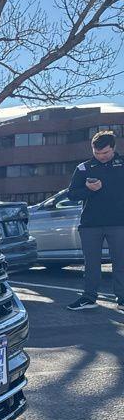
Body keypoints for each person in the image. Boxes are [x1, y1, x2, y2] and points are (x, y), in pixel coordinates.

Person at [66, 131, 124, 310]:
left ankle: (122, 299)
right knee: (91, 264)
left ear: (114, 148)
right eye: (97, 153)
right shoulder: (83, 168)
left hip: (119, 223)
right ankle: (88, 298)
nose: (101, 157)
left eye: (105, 153)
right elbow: (71, 195)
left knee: (121, 262)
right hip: (90, 224)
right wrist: (88, 189)